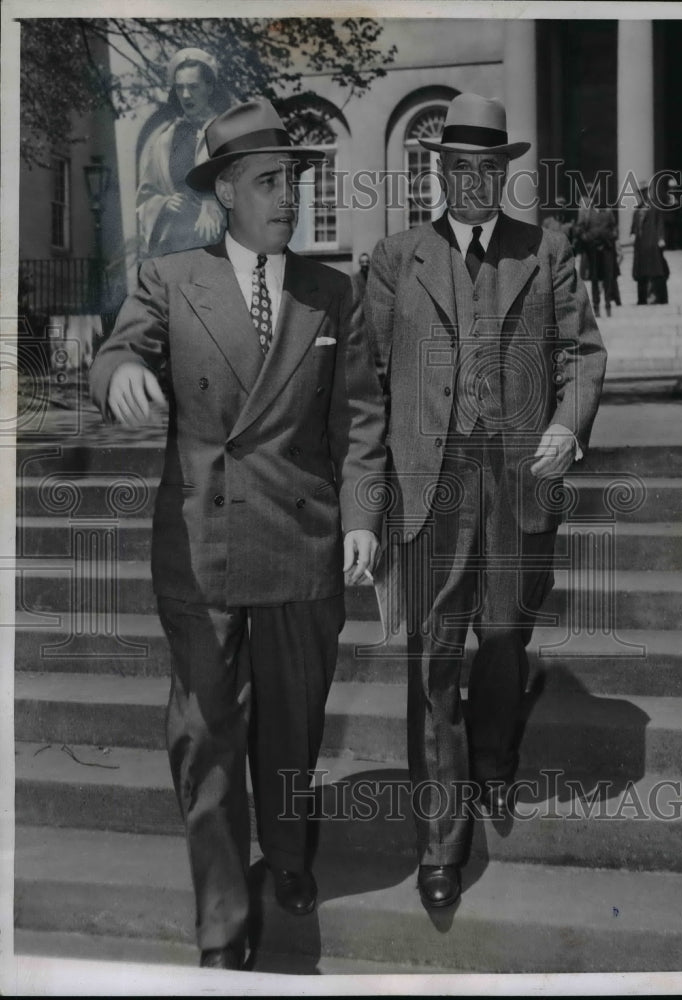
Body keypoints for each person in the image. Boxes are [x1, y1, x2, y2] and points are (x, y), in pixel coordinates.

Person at [90, 98, 386, 970]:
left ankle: (290, 856)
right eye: (268, 182)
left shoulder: (333, 291)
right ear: (226, 193)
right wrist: (120, 379)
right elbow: (118, 351)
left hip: (303, 545)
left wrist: (363, 518)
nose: (287, 198)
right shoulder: (171, 278)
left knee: (292, 727)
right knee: (207, 737)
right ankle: (222, 919)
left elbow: (361, 419)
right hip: (201, 545)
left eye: (292, 180)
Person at [364, 93, 606, 910]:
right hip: (429, 483)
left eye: (487, 170)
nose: (472, 183)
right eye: (458, 168)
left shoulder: (546, 251)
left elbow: (582, 355)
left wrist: (569, 429)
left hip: (515, 480)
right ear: (440, 172)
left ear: (504, 174)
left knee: (502, 635)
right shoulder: (398, 258)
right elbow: (366, 382)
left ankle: (495, 759)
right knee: (433, 659)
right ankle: (441, 843)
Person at [136, 47, 232, 256]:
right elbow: (145, 196)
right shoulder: (164, 140)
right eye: (179, 88)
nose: (186, 95)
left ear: (210, 87)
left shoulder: (226, 133)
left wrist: (212, 203)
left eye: (193, 87)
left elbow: (244, 185)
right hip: (174, 243)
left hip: (216, 243)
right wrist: (164, 203)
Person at [573, 193, 619, 317]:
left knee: (608, 278)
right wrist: (586, 238)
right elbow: (580, 229)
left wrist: (611, 237)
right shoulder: (588, 213)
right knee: (594, 278)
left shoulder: (608, 213)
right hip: (593, 251)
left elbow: (614, 228)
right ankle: (596, 305)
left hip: (607, 249)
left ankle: (608, 303)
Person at [631, 180, 668, 304]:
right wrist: (632, 234)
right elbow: (634, 227)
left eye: (644, 191)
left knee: (656, 271)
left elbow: (660, 223)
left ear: (648, 192)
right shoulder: (637, 210)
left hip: (652, 243)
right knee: (641, 273)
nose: (642, 194)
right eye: (640, 192)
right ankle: (641, 299)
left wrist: (661, 238)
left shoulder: (655, 206)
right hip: (640, 245)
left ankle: (659, 298)